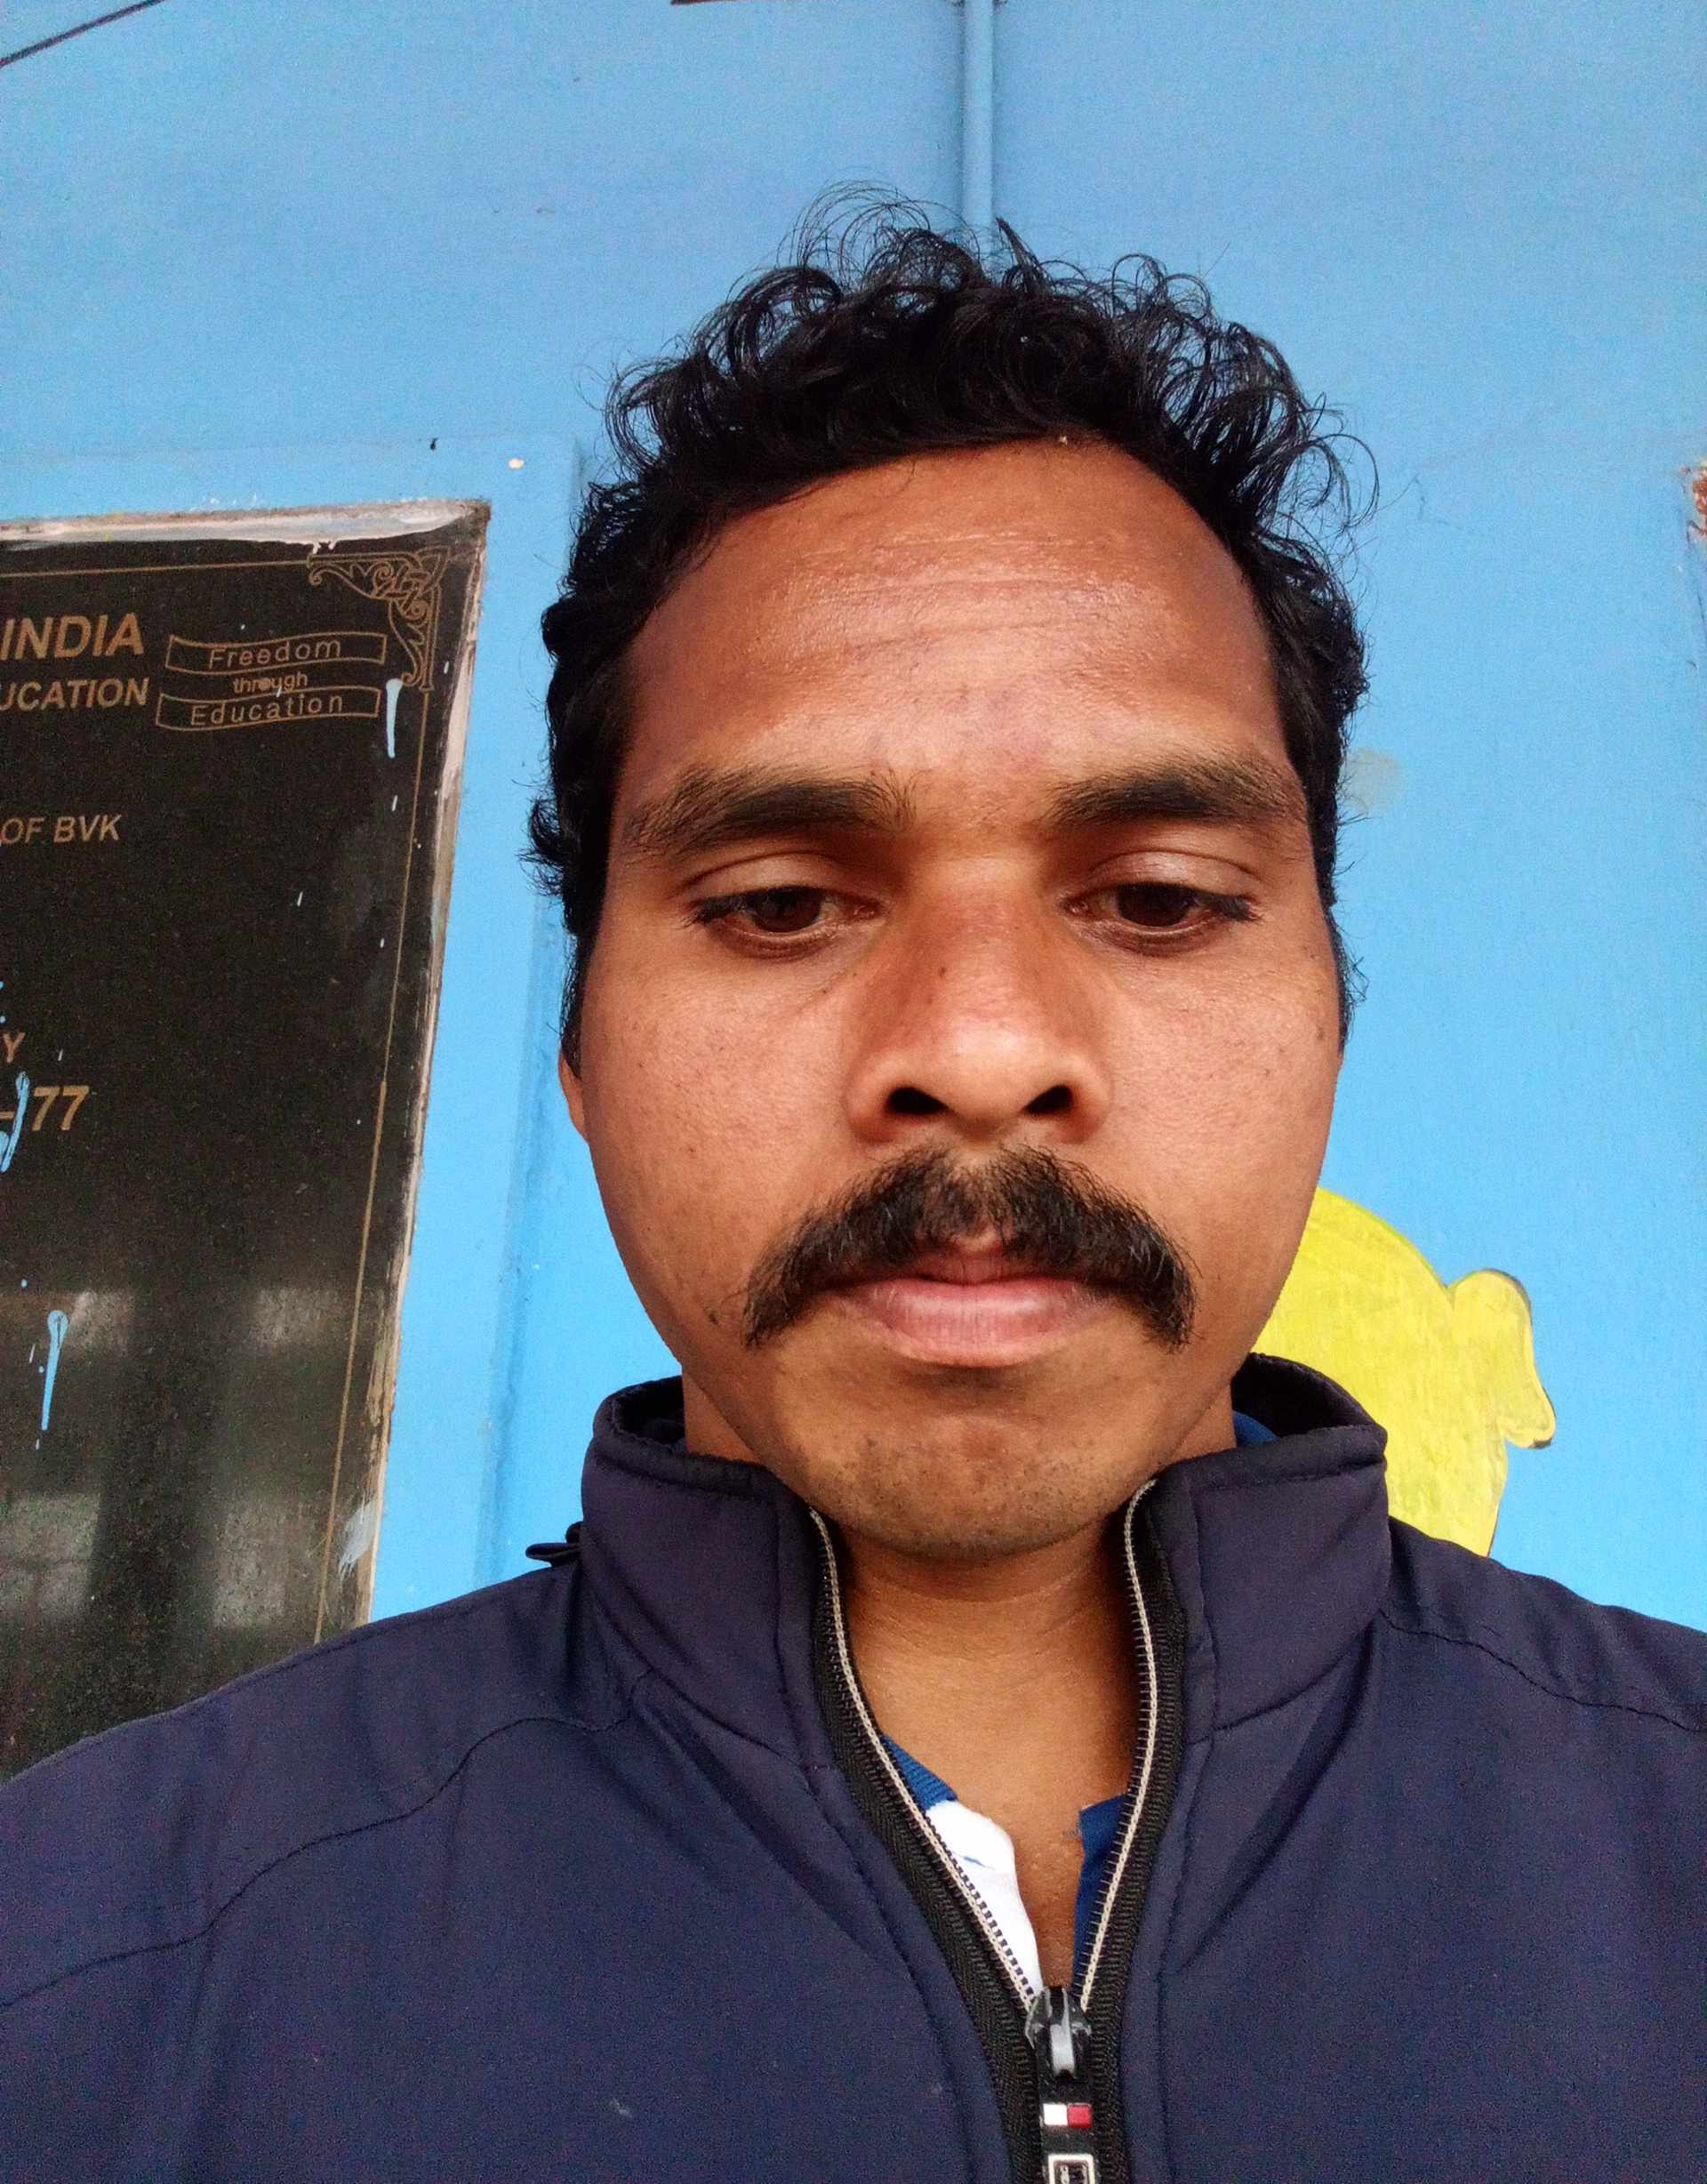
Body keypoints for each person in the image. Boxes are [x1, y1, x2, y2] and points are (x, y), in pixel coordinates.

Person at [4, 207, 1703, 2184]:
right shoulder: (89, 1973)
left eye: (1159, 898)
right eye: (782, 902)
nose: (978, 1047)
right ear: (582, 1053)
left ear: (1331, 1021)